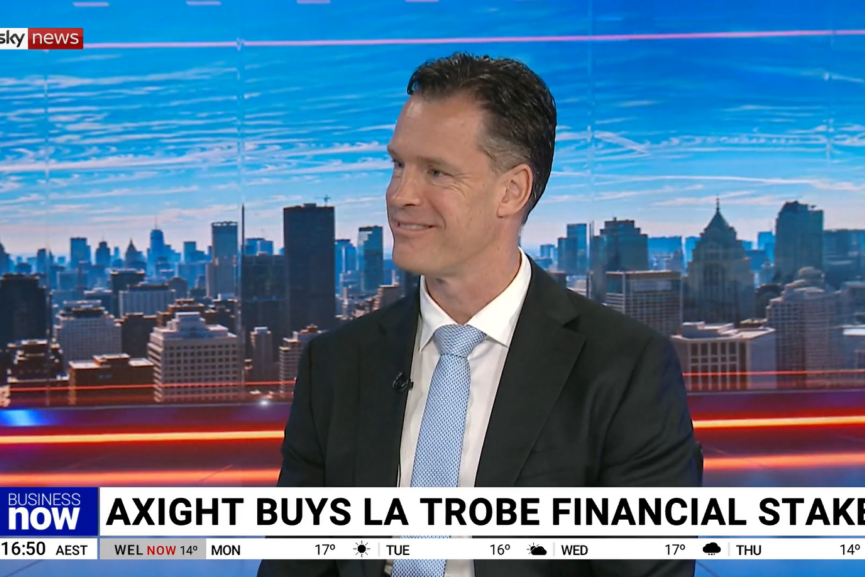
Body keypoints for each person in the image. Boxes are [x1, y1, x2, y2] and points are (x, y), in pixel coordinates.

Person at [257, 52, 702, 577]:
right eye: (398, 165)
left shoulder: (625, 370)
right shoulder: (334, 365)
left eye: (436, 172)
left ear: (511, 191)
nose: (400, 195)